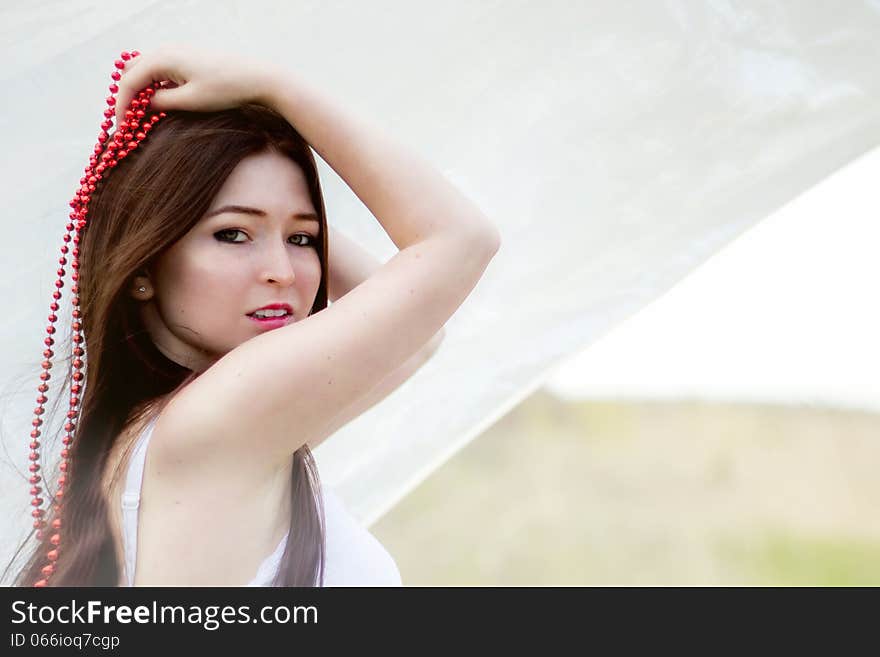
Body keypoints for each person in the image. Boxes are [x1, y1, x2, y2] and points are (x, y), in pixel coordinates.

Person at [7, 44, 501, 586]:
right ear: (145, 263)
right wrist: (276, 88)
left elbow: (416, 340)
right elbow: (461, 239)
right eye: (232, 234)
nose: (283, 272)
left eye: (302, 239)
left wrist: (271, 194)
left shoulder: (184, 429)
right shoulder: (220, 417)